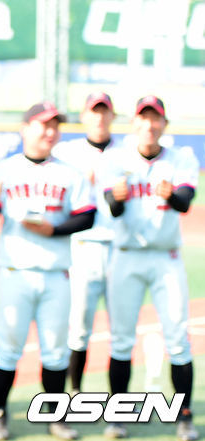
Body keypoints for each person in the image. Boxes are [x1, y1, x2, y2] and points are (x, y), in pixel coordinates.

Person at [0, 102, 95, 440]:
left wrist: (53, 230)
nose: (50, 131)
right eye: (43, 124)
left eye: (55, 125)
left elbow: (87, 216)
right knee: (9, 348)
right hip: (14, 272)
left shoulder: (70, 173)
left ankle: (56, 418)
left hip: (56, 273)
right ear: (25, 128)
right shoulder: (3, 170)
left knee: (56, 350)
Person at [101, 96, 199, 441]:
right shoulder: (115, 158)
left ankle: (184, 416)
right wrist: (115, 197)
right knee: (121, 340)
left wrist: (171, 195)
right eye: (143, 118)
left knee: (178, 339)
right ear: (134, 123)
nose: (149, 125)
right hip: (126, 255)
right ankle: (118, 416)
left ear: (164, 124)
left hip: (165, 257)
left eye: (155, 119)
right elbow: (112, 208)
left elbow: (185, 203)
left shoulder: (181, 158)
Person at [52, 92, 118, 395]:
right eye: (94, 111)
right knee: (78, 328)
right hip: (81, 247)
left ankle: (119, 398)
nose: (99, 117)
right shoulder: (66, 152)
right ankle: (75, 391)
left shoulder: (126, 153)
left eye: (104, 111)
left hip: (119, 248)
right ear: (84, 116)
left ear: (112, 116)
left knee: (121, 330)